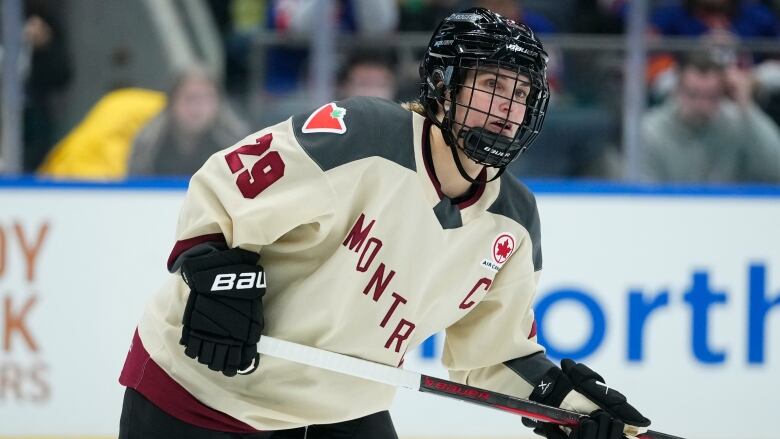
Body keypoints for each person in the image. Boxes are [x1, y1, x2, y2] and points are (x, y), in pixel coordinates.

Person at [118, 8, 651, 439]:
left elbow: (493, 353)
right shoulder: (365, 136)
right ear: (444, 86)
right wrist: (213, 269)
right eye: (493, 85)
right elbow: (227, 181)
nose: (507, 109)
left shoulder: (514, 221)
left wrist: (569, 407)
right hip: (203, 388)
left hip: (340, 405)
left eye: (520, 95)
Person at [639, 53, 780, 183]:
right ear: (676, 89)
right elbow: (644, 192)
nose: (702, 105)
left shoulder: (738, 122)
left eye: (711, 97)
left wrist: (747, 106)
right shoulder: (652, 130)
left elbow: (776, 170)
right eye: (693, 94)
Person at [128, 65, 249, 176]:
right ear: (171, 102)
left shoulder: (235, 143)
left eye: (206, 99)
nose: (197, 107)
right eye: (190, 98)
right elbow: (136, 190)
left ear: (219, 103)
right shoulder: (148, 141)